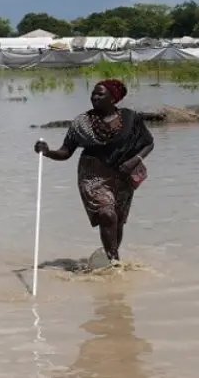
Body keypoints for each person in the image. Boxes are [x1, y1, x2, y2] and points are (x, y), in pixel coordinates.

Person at [33, 79, 154, 263]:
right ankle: (114, 262)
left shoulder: (130, 118)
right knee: (107, 214)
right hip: (93, 176)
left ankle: (110, 260)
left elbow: (148, 143)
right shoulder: (82, 123)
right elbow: (66, 152)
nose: (94, 97)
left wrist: (134, 161)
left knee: (118, 220)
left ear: (113, 99)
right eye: (93, 94)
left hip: (123, 175)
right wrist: (47, 151)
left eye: (100, 94)